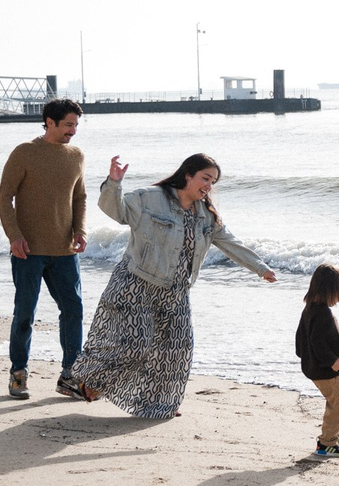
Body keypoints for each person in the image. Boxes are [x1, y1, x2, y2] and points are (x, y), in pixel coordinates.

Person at [63, 152, 276, 418]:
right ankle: (89, 380)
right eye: (205, 178)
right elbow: (115, 211)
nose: (209, 186)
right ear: (188, 175)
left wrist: (260, 268)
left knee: (177, 350)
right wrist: (114, 183)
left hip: (176, 291)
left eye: (213, 182)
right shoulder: (150, 198)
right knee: (136, 346)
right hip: (136, 285)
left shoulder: (206, 215)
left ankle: (159, 404)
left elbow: (230, 242)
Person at [0, 98, 87, 400]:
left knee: (73, 310)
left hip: (64, 251)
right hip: (28, 251)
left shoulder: (76, 156)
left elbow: (80, 197)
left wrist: (80, 230)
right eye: (68, 124)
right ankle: (18, 374)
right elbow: (4, 198)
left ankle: (69, 375)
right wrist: (14, 236)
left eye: (76, 125)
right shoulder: (24, 153)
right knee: (25, 313)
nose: (73, 130)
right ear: (50, 122)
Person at [297, 264, 339, 460]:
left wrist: (303, 355)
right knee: (338, 406)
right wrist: (331, 360)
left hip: (319, 367)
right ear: (328, 290)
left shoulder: (310, 309)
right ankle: (326, 444)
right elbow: (316, 342)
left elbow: (300, 338)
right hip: (325, 369)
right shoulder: (321, 313)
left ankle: (333, 434)